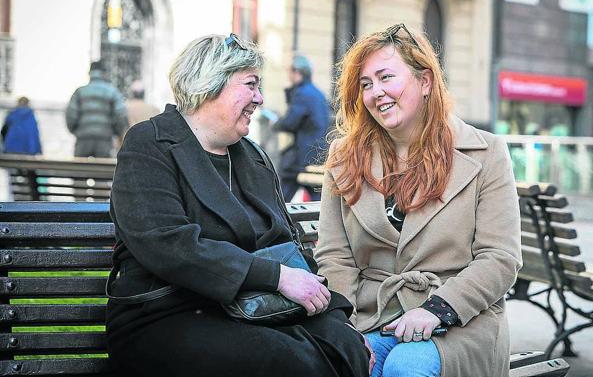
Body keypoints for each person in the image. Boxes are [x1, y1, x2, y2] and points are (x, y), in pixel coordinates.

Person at [105, 34, 370, 377]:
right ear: (209, 84)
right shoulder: (150, 143)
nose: (259, 98)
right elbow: (168, 243)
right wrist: (275, 278)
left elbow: (286, 248)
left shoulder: (252, 157)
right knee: (289, 362)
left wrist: (337, 316)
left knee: (346, 347)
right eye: (250, 85)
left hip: (255, 309)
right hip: (165, 314)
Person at [315, 24, 522, 377]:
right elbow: (335, 256)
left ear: (425, 82)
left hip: (459, 320)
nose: (376, 92)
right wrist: (345, 326)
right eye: (366, 84)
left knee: (406, 365)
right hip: (372, 316)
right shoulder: (344, 156)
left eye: (386, 77)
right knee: (337, 362)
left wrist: (436, 310)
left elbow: (500, 258)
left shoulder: (485, 153)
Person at [272, 54, 330, 201]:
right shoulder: (317, 93)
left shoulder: (303, 94)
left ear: (297, 73)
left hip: (302, 155)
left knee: (282, 197)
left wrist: (276, 123)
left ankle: (277, 220)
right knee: (316, 197)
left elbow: (290, 122)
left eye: (290, 72)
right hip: (317, 153)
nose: (288, 76)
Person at [65, 61, 128, 157]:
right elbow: (120, 115)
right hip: (104, 139)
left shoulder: (80, 92)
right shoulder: (112, 92)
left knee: (80, 169)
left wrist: (76, 131)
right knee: (103, 170)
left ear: (90, 73)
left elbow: (71, 115)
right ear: (104, 73)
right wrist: (116, 132)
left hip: (83, 139)